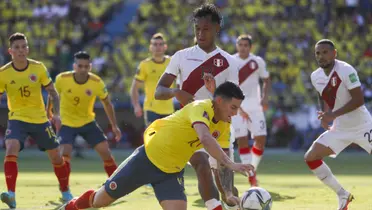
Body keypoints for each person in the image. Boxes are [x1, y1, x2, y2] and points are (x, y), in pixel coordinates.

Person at [59, 82, 253, 210]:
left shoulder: (225, 125)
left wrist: (227, 192)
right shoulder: (200, 107)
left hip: (171, 172)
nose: (235, 113)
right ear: (219, 101)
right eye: (233, 107)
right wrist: (232, 163)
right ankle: (70, 207)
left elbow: (222, 160)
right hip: (146, 160)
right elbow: (205, 138)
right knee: (99, 201)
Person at [155, 4, 240, 210]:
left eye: (206, 29)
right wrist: (176, 92)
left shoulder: (229, 62)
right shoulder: (181, 56)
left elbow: (234, 104)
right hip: (190, 124)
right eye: (197, 29)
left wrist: (214, 93)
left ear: (217, 28)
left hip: (220, 126)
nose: (201, 34)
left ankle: (231, 203)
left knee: (227, 189)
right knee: (201, 165)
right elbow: (159, 91)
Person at [0, 33, 71, 208]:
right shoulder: (3, 73)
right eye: (17, 47)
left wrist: (55, 113)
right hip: (17, 118)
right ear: (10, 51)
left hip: (40, 120)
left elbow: (53, 93)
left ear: (28, 49)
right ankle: (11, 195)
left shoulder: (38, 68)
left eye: (24, 47)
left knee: (56, 157)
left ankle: (65, 190)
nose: (21, 50)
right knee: (11, 147)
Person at [304, 39, 372, 209]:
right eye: (318, 53)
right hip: (341, 128)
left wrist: (332, 115)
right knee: (311, 157)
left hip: (363, 125)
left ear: (334, 53)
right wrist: (324, 114)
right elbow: (323, 94)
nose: (321, 56)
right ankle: (343, 195)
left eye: (325, 52)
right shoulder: (315, 76)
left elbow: (358, 100)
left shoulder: (346, 70)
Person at [50, 51, 122, 185]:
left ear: (90, 66)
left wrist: (114, 126)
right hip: (67, 122)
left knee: (105, 152)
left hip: (88, 122)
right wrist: (52, 114)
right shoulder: (62, 79)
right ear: (74, 66)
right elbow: (52, 96)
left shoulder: (97, 82)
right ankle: (65, 189)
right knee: (65, 153)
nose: (83, 69)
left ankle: (116, 185)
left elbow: (107, 103)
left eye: (86, 66)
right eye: (80, 66)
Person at [231, 34, 271, 186]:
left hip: (255, 106)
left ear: (250, 47)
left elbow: (266, 79)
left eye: (245, 45)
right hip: (237, 106)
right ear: (237, 46)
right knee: (242, 139)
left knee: (261, 138)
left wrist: (265, 98)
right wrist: (237, 107)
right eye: (240, 45)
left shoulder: (257, 61)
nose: (243, 48)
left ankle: (252, 167)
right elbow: (229, 85)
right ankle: (251, 174)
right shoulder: (232, 61)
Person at [130, 33, 174, 127]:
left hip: (169, 109)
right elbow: (135, 87)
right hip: (151, 109)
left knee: (167, 139)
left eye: (160, 44)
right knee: (153, 138)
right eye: (155, 44)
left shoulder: (172, 62)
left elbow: (182, 80)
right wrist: (136, 105)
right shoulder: (144, 65)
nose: (158, 47)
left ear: (165, 46)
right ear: (150, 47)